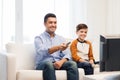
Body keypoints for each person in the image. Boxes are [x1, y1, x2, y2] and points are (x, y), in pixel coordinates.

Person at [34, 13, 79, 80]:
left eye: (55, 23)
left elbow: (67, 54)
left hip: (58, 63)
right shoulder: (39, 38)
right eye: (50, 22)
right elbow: (42, 51)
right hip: (43, 64)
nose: (53, 25)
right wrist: (58, 47)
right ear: (45, 24)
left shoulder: (60, 38)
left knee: (72, 64)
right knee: (49, 64)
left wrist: (61, 62)